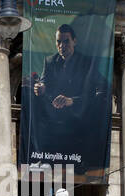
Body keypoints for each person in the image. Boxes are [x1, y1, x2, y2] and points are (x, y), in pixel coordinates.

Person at [30, 23, 110, 177]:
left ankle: (80, 161)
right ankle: (44, 157)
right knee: (34, 99)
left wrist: (71, 101)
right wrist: (41, 88)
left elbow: (98, 90)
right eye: (59, 42)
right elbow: (45, 82)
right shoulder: (50, 61)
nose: (62, 46)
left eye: (66, 41)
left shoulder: (86, 63)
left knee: (93, 107)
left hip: (79, 108)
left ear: (75, 41)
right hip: (54, 107)